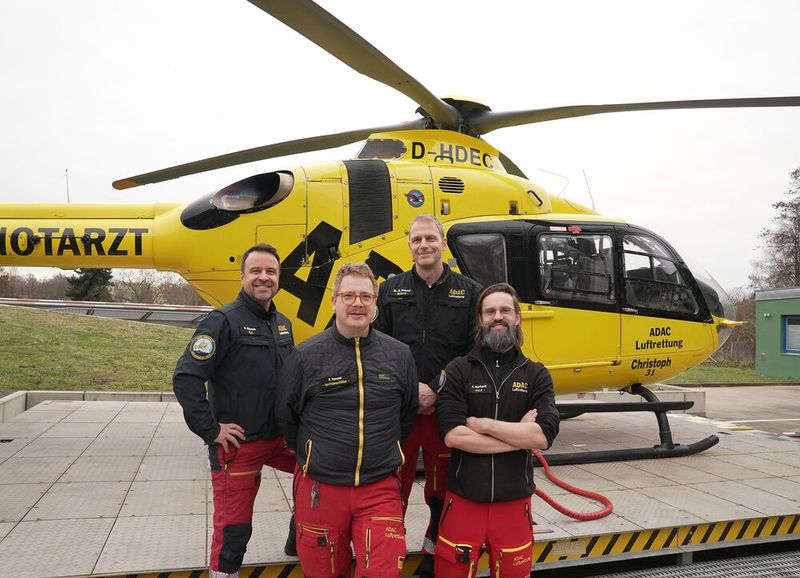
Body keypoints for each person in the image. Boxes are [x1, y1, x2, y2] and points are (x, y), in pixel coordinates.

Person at [277, 262, 418, 578]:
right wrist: (317, 453)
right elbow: (287, 418)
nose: (358, 303)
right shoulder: (305, 356)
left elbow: (406, 415)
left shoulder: (399, 356)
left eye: (366, 297)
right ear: (334, 301)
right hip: (321, 490)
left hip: (379, 488)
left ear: (375, 303)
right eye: (349, 295)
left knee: (383, 572)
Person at [173, 243, 296, 578]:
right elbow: (186, 378)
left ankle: (297, 540)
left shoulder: (283, 324)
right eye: (255, 271)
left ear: (278, 278)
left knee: (321, 471)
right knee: (234, 532)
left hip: (280, 438)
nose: (263, 277)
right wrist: (211, 430)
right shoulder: (222, 322)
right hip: (238, 446)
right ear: (242, 276)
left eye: (270, 271)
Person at [373, 213, 482, 573]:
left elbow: (472, 352)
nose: (424, 245)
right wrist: (410, 390)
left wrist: (436, 388)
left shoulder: (469, 292)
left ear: (443, 244)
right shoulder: (390, 291)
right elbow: (379, 347)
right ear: (409, 246)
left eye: (430, 239)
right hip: (401, 413)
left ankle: (433, 554)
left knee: (440, 493)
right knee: (393, 491)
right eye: (417, 240)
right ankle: (392, 555)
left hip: (445, 412)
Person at [435, 283, 560, 578]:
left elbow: (543, 436)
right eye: (489, 311)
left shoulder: (536, 374)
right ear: (480, 319)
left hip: (514, 505)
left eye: (505, 310)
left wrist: (485, 425)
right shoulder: (458, 370)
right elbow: (453, 435)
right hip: (464, 502)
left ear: (517, 317)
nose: (497, 316)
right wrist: (518, 436)